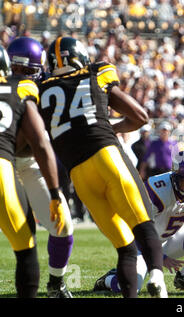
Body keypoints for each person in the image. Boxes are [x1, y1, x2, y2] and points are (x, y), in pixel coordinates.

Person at [37, 36, 166, 298]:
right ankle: (156, 277)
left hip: (79, 174)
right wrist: (112, 128)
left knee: (125, 248)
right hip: (106, 156)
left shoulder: (41, 89)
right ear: (79, 57)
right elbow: (140, 116)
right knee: (144, 225)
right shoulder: (97, 72)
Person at [93, 150, 184, 293]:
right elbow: (135, 233)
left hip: (169, 238)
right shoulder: (155, 191)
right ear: (176, 178)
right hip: (141, 246)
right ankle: (109, 279)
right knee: (129, 287)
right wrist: (161, 257)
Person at [7, 36, 74, 298]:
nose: (23, 76)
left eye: (27, 72)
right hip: (4, 164)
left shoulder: (46, 87)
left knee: (63, 225)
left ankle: (56, 282)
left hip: (31, 163)